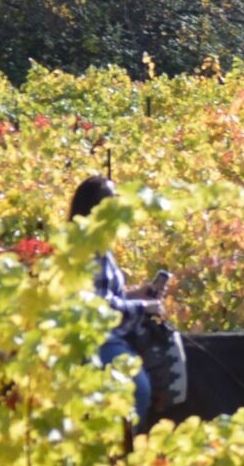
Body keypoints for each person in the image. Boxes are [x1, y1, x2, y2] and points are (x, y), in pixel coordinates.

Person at [69, 175, 170, 424]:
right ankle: (123, 451)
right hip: (94, 338)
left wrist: (138, 293)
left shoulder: (101, 246)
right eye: (112, 202)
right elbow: (98, 307)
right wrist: (144, 307)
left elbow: (107, 294)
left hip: (109, 331)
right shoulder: (86, 248)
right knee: (139, 389)